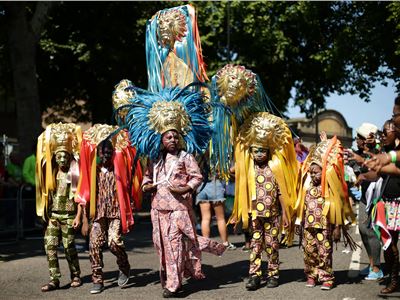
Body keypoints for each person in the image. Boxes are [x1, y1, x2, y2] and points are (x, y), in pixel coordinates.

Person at [124, 84, 226, 298]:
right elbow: (146, 178)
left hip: (179, 208)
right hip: (158, 210)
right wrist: (146, 186)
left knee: (175, 245)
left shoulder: (185, 157)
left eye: (175, 137)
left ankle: (173, 285)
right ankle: (182, 272)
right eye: (168, 137)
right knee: (163, 247)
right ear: (161, 139)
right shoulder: (155, 159)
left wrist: (185, 188)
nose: (172, 140)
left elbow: (198, 177)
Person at [229, 112, 299, 290]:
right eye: (255, 150)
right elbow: (234, 175)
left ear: (268, 152)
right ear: (251, 152)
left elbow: (281, 193)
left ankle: (273, 274)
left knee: (272, 245)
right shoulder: (248, 168)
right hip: (254, 215)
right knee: (255, 245)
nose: (259, 154)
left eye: (262, 151)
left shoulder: (275, 168)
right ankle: (254, 275)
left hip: (273, 215)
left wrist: (285, 213)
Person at [76, 124, 142, 295]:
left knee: (114, 242)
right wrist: (84, 219)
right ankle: (97, 279)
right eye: (102, 153)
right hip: (98, 215)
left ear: (113, 154)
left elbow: (130, 184)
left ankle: (124, 265)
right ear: (97, 154)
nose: (105, 155)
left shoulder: (119, 171)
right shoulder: (94, 172)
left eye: (109, 153)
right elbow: (84, 193)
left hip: (115, 214)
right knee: (94, 245)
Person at [295, 137, 356, 291]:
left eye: (316, 172)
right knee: (309, 251)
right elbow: (301, 205)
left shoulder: (329, 188)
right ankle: (311, 275)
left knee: (324, 252)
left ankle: (327, 277)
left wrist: (336, 228)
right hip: (308, 225)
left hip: (324, 226)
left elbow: (336, 207)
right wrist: (298, 222)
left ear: (324, 171)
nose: (313, 175)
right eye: (311, 172)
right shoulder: (307, 186)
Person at [36, 123, 83, 292]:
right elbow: (45, 194)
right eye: (59, 156)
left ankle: (76, 274)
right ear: (55, 157)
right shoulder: (52, 173)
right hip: (54, 216)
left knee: (69, 246)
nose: (62, 159)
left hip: (69, 215)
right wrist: (45, 216)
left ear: (69, 156)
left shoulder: (74, 172)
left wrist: (79, 216)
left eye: (65, 156)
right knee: (50, 245)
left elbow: (79, 197)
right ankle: (54, 279)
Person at [349, 123, 384, 280]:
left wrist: (362, 176)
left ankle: (377, 268)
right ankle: (371, 265)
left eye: (358, 137)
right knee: (363, 230)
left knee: (370, 231)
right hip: (364, 197)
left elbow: (375, 173)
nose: (356, 140)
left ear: (366, 139)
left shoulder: (378, 153)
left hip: (377, 197)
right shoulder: (358, 153)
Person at [371, 119, 400, 294]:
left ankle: (394, 279)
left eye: (386, 132)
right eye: (381, 132)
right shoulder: (384, 151)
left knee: (391, 245)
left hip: (398, 202)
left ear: (396, 131)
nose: (383, 135)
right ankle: (393, 277)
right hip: (387, 203)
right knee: (389, 243)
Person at [196, 154, 236, 250]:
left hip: (201, 188)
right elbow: (228, 170)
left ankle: (205, 243)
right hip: (215, 187)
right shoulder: (218, 156)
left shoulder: (198, 158)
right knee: (220, 218)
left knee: (205, 218)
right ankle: (225, 242)